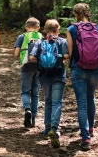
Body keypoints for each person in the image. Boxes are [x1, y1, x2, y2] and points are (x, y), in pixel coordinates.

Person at [66, 3, 98, 151]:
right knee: (91, 98)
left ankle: (85, 138)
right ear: (88, 13)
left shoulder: (71, 29)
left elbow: (70, 53)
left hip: (78, 69)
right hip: (96, 69)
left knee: (82, 102)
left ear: (75, 14)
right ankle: (91, 128)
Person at [29, 19, 69, 148]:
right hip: (58, 75)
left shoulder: (40, 42)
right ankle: (54, 129)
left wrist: (44, 60)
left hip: (44, 76)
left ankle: (46, 130)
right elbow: (67, 55)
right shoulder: (62, 41)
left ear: (45, 30)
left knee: (48, 101)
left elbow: (32, 57)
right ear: (58, 30)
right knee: (57, 102)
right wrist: (60, 57)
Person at [14, 17, 43, 128]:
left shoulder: (22, 37)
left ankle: (27, 109)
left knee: (25, 91)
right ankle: (34, 119)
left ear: (26, 27)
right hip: (39, 68)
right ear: (38, 28)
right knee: (35, 93)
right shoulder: (42, 37)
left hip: (26, 67)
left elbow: (16, 55)